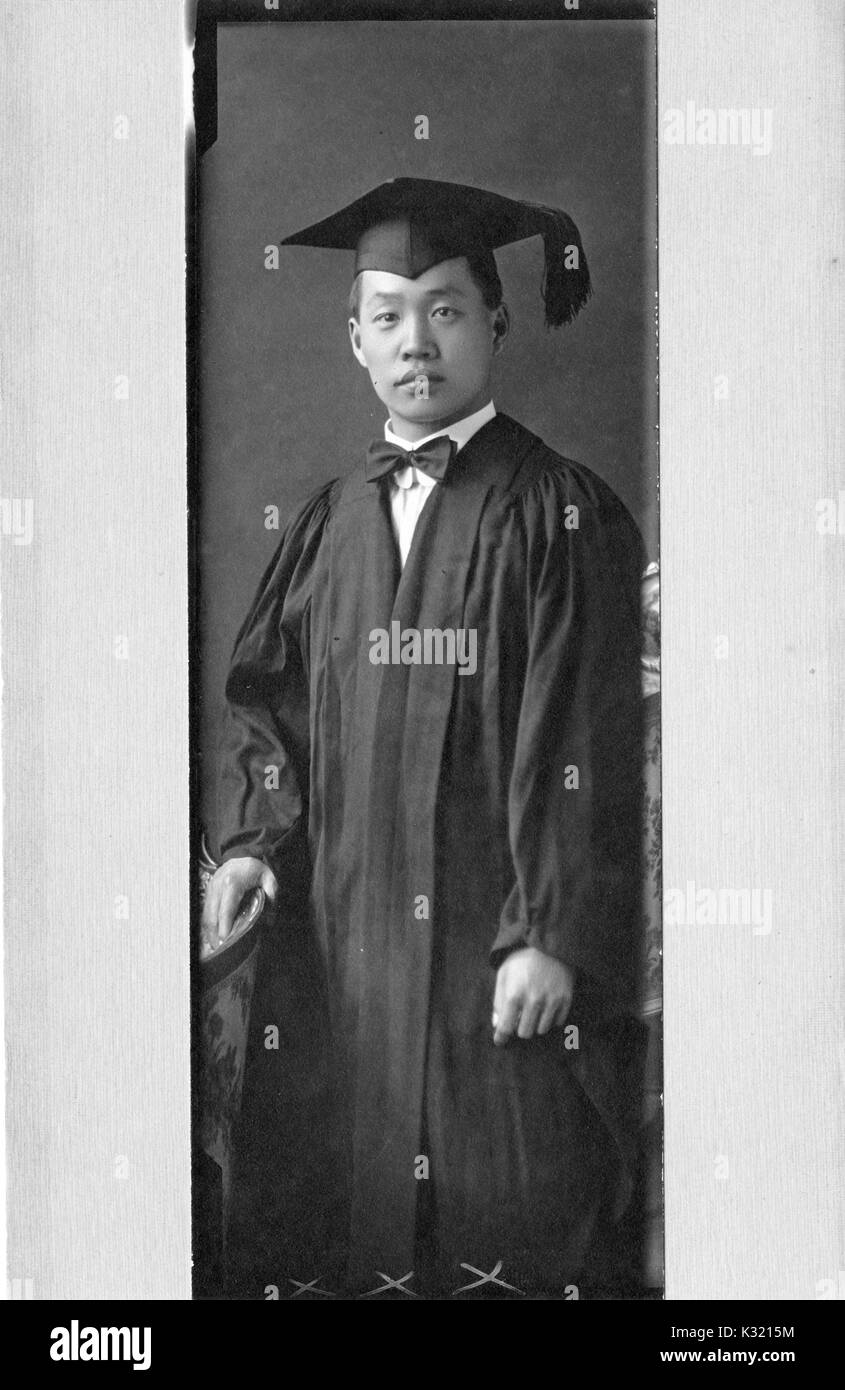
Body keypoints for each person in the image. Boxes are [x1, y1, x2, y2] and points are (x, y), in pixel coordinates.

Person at [202, 178, 647, 1299]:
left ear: (494, 322)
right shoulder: (322, 523)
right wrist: (254, 843)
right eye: (389, 314)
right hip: (340, 951)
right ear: (353, 337)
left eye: (445, 310)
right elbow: (270, 706)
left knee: (505, 1224)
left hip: (489, 956)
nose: (417, 343)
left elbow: (580, 728)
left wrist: (545, 930)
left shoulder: (557, 509)